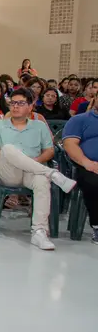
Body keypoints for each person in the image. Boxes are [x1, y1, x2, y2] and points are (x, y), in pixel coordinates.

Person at [0, 88, 76, 251]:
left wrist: (32, 162)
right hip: (8, 172)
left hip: (32, 172)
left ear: (30, 106)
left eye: (20, 103)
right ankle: (53, 174)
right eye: (13, 103)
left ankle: (39, 232)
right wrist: (19, 160)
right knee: (8, 149)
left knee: (42, 181)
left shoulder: (39, 126)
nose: (15, 107)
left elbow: (49, 151)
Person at [62, 103, 98, 243]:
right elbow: (70, 144)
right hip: (88, 166)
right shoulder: (79, 120)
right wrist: (86, 162)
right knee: (93, 182)